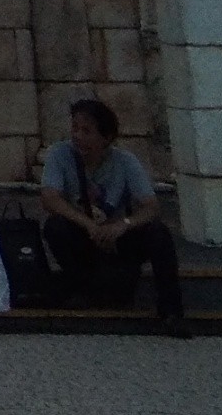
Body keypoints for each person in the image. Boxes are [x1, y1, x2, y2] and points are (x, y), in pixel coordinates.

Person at [38, 95, 184, 333]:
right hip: (84, 234)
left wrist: (124, 224)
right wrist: (88, 224)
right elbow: (49, 198)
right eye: (75, 129)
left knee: (159, 234)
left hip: (118, 237)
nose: (78, 137)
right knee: (55, 227)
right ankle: (83, 287)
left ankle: (171, 311)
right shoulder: (60, 154)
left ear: (106, 138)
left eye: (87, 131)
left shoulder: (125, 162)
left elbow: (151, 206)